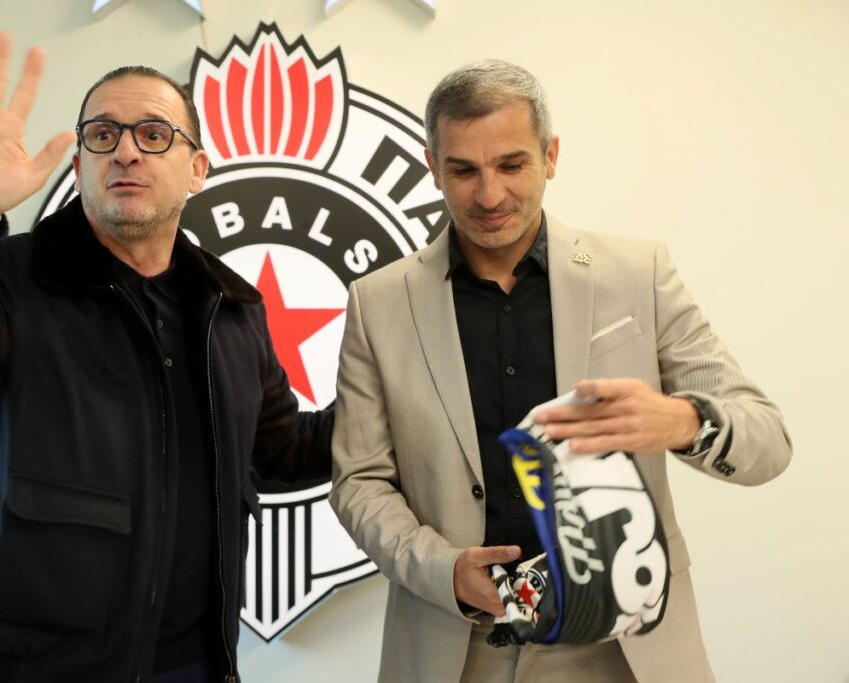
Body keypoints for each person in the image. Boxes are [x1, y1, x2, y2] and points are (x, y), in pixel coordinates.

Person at [0, 34, 332, 683]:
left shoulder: (232, 307)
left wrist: (398, 406)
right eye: (103, 134)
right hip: (33, 670)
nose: (126, 149)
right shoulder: (10, 278)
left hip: (195, 664)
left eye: (154, 133)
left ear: (197, 169)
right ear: (79, 162)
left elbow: (280, 450)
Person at [329, 60, 791, 683]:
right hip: (458, 649)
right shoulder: (377, 303)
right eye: (463, 170)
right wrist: (444, 570)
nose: (489, 196)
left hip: (626, 650)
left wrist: (682, 421)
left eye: (512, 165)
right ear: (432, 167)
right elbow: (359, 481)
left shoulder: (639, 274)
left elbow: (767, 441)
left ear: (551, 155)